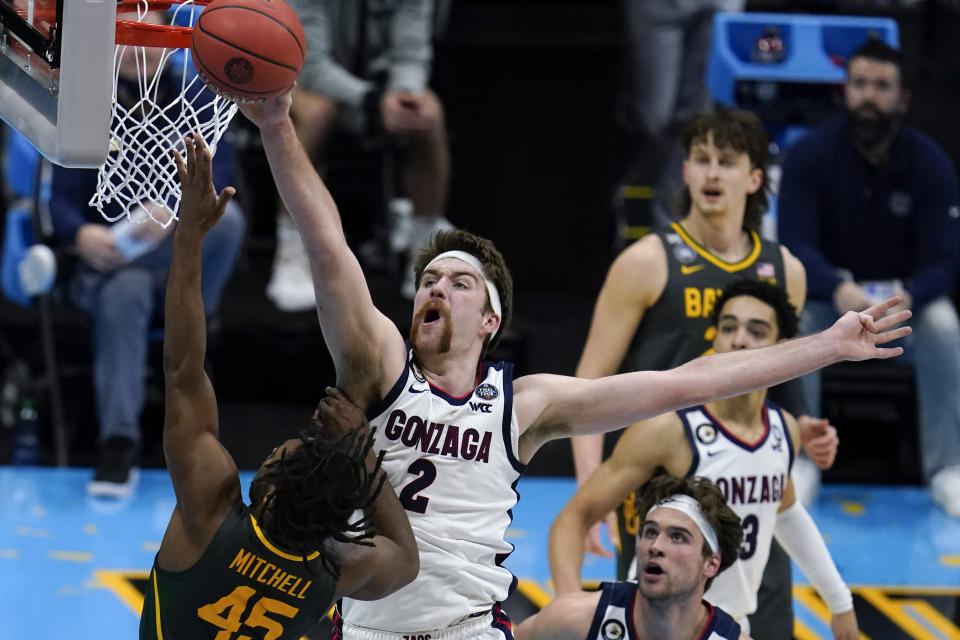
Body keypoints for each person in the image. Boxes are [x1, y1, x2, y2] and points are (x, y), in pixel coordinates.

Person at [238, 90, 908, 640]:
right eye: (429, 279)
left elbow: (685, 382)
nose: (436, 288)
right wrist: (277, 126)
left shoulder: (525, 405)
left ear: (491, 321)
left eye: (459, 282)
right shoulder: (383, 367)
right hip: (362, 630)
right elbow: (328, 247)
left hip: (470, 632)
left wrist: (830, 344)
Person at [140, 136, 419, 639]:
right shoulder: (335, 569)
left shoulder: (210, 508)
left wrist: (189, 238)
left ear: (267, 499)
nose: (268, 453)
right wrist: (361, 450)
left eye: (274, 457)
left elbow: (182, 370)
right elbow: (404, 560)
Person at [571, 107, 835, 637]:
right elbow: (586, 390)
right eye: (701, 160)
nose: (712, 173)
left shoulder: (787, 271)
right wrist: (591, 496)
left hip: (752, 486)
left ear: (756, 178)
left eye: (727, 161)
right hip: (664, 481)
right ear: (686, 172)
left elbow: (777, 378)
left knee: (764, 622)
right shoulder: (646, 261)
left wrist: (800, 429)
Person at [550, 281, 859, 638]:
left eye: (756, 331)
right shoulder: (669, 429)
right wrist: (570, 606)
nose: (739, 340)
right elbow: (574, 517)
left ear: (782, 348)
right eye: (729, 327)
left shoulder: (783, 429)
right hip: (655, 626)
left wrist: (840, 603)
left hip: (730, 627)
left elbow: (786, 512)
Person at [48, 21, 246, 497]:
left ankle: (201, 308)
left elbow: (221, 183)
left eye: (156, 42)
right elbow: (59, 202)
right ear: (114, 44)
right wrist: (82, 236)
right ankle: (119, 443)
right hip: (103, 272)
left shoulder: (196, 99)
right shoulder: (88, 101)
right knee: (126, 287)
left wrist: (174, 212)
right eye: (136, 40)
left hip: (171, 266)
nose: (146, 51)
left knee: (230, 220)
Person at [778, 38, 960, 518]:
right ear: (844, 92)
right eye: (860, 84)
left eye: (882, 87)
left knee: (944, 326)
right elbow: (792, 245)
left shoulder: (930, 164)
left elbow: (946, 259)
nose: (869, 96)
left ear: (902, 99)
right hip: (830, 297)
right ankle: (802, 458)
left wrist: (912, 295)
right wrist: (837, 288)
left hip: (904, 304)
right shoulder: (809, 156)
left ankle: (948, 469)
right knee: (795, 318)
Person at [266, 0, 452, 309]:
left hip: (376, 89)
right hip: (303, 79)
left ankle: (423, 249)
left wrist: (403, 96)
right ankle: (293, 249)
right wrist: (372, 100)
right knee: (317, 115)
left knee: (427, 112)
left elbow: (411, 54)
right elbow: (311, 66)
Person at [516, 475, 749, 640]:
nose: (656, 546)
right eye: (650, 532)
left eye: (678, 537)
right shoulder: (574, 620)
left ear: (711, 564)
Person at [611, 0, 745, 237]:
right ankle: (625, 207)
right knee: (654, 118)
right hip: (660, 7)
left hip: (719, 5)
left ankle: (669, 227)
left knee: (699, 118)